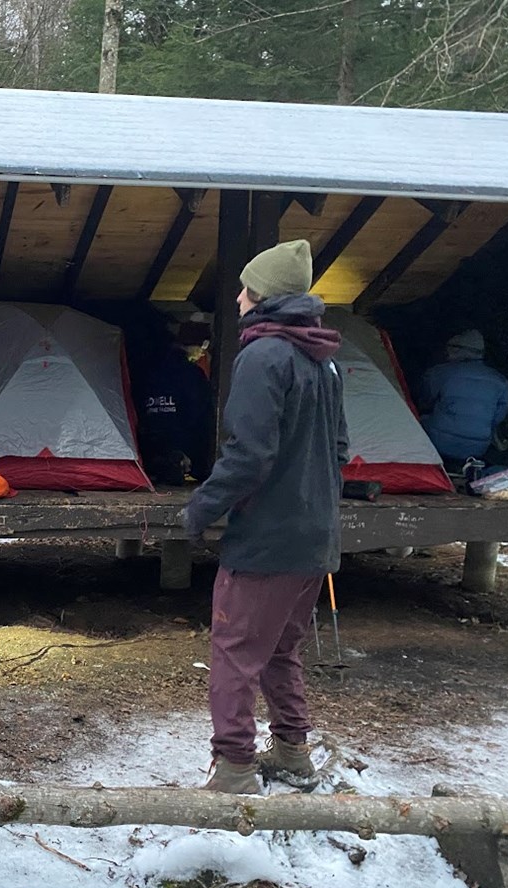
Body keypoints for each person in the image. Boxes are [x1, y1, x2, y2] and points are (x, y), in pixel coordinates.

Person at [182, 239, 348, 794]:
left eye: (245, 287)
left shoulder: (263, 356)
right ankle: (293, 751)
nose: (236, 296)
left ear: (263, 296)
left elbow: (248, 455)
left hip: (268, 540)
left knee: (234, 652)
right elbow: (340, 449)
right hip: (314, 538)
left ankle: (233, 769)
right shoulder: (325, 363)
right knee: (281, 648)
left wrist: (200, 509)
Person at [130, 323, 214, 486]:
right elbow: (201, 414)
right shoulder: (192, 374)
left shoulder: (145, 373)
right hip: (184, 444)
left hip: (149, 447)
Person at [418, 330, 508, 471]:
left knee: (419, 420)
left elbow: (425, 402)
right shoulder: (500, 381)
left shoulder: (438, 373)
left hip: (439, 442)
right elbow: (497, 418)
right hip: (479, 447)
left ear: (458, 350)